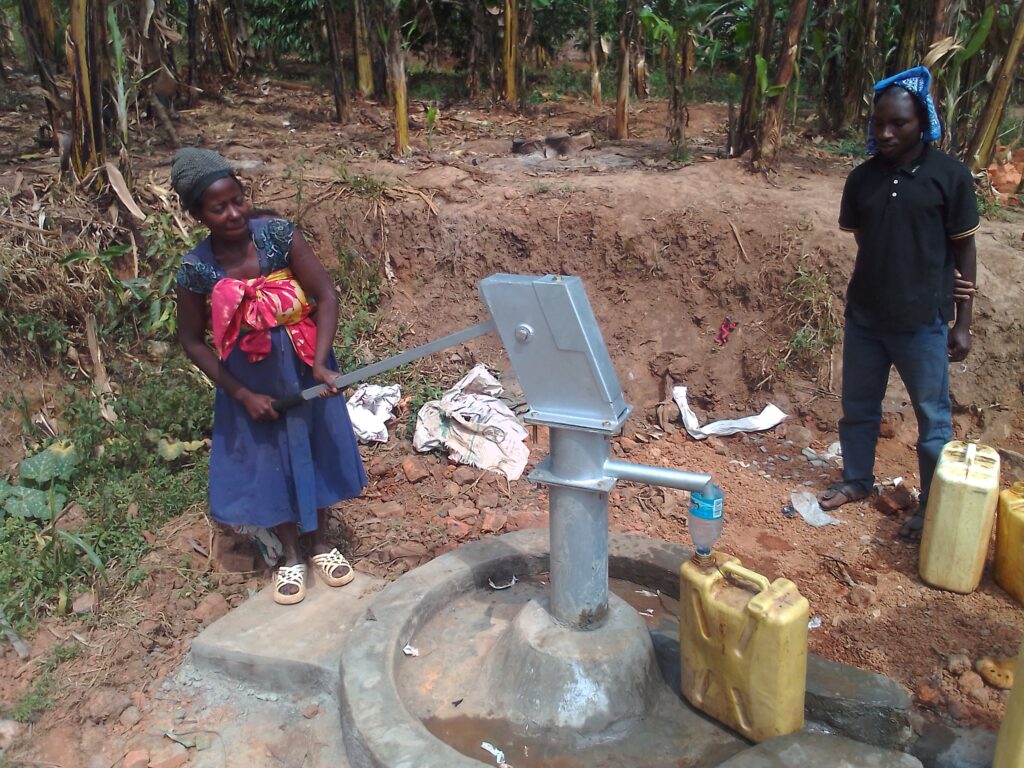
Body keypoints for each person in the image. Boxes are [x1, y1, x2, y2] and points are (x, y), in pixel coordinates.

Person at [172, 147, 367, 604]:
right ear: (199, 213)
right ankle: (291, 555)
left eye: (237, 200)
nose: (234, 213)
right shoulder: (197, 268)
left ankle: (321, 543)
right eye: (218, 208)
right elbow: (193, 340)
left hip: (303, 362)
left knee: (312, 443)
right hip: (250, 380)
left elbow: (325, 295)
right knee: (269, 457)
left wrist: (321, 362)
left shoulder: (278, 236)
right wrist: (241, 394)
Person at [818, 66, 979, 541]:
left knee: (933, 418)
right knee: (858, 407)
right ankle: (856, 480)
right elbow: (868, 240)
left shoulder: (949, 177)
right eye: (878, 123)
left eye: (898, 124)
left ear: (923, 122)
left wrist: (961, 322)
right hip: (865, 317)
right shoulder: (862, 179)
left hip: (922, 321)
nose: (885, 133)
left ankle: (932, 505)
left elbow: (964, 248)